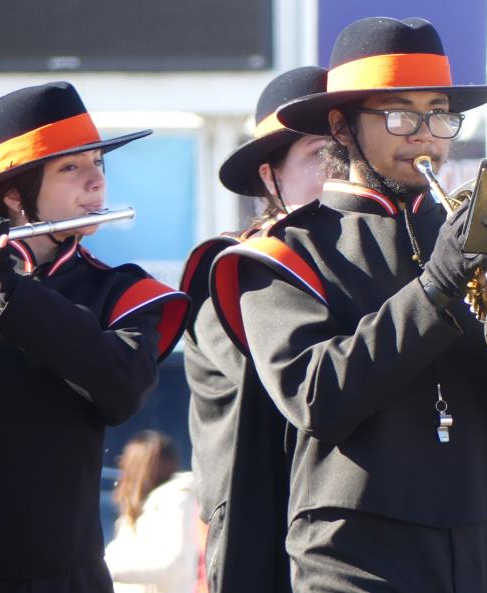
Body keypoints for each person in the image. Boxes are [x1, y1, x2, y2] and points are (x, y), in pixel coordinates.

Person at [210, 16, 487, 593]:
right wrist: (436, 286)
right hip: (355, 559)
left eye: (440, 114)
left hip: (486, 553)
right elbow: (319, 398)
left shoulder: (484, 242)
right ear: (341, 127)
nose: (426, 135)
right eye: (400, 115)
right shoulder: (287, 253)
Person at [0, 81, 190, 592]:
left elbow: (122, 388)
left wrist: (9, 284)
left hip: (69, 579)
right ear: (13, 193)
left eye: (98, 162)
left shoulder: (123, 291)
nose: (96, 182)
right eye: (71, 167)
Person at [180, 65, 328, 593]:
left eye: (348, 153)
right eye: (320, 155)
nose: (341, 171)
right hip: (262, 529)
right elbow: (283, 380)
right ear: (270, 177)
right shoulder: (239, 263)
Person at [104, 431, 199, 593]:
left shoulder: (177, 500)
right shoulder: (140, 508)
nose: (121, 465)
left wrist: (107, 568)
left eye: (127, 462)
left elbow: (175, 564)